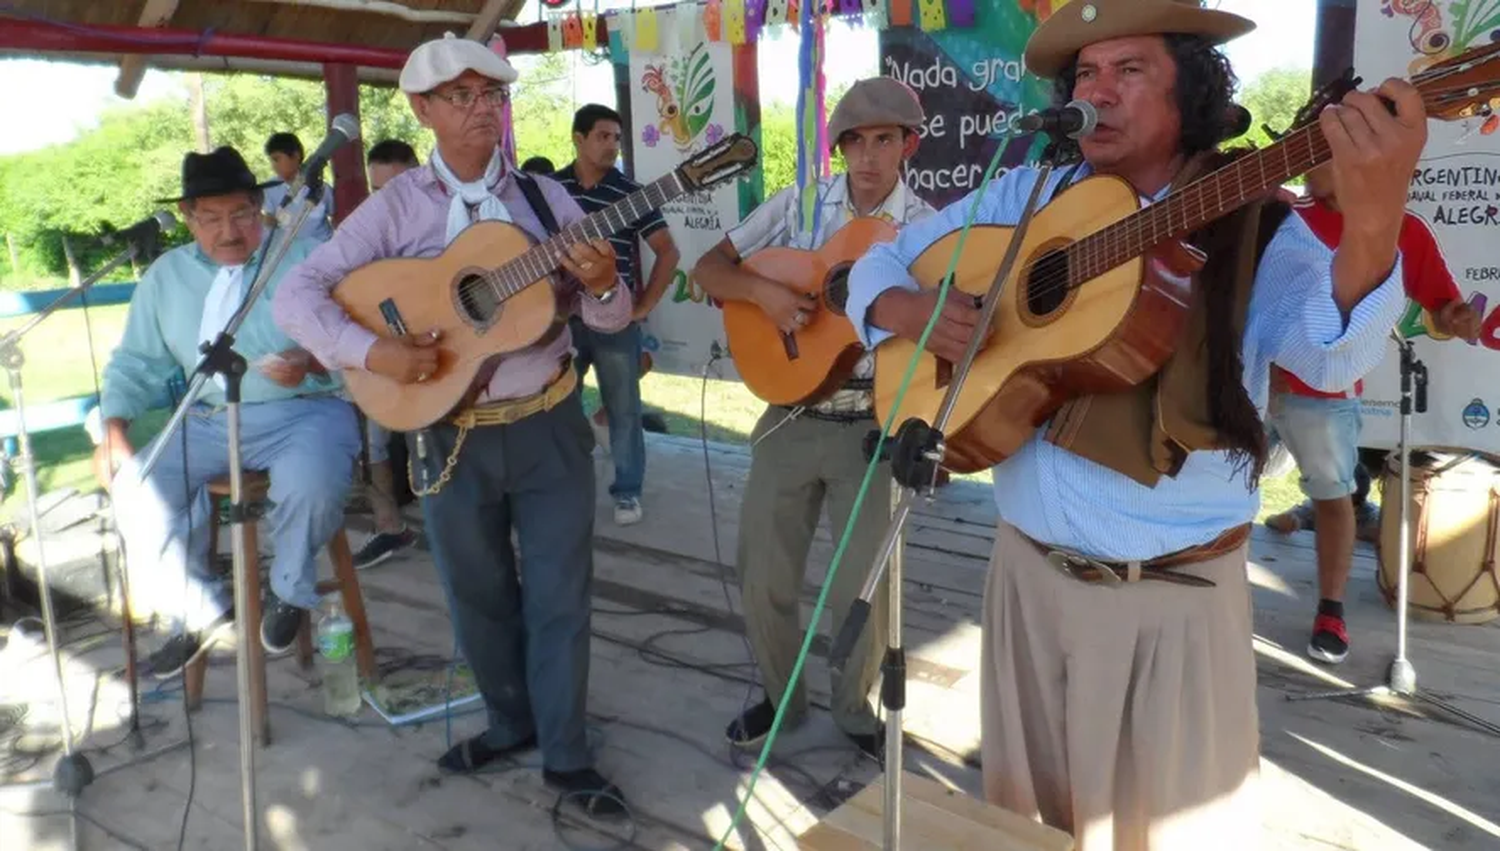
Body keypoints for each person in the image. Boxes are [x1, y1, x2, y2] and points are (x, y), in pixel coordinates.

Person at [845, 1, 1428, 847]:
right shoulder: (1027, 190)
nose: (1099, 91)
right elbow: (880, 260)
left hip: (1171, 607)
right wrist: (911, 308)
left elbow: (1333, 358)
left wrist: (1377, 217)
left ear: (1188, 90)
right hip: (1024, 580)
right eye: (1085, 73)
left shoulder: (1257, 225)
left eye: (1129, 70)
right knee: (1024, 820)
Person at [272, 32, 630, 818]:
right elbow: (295, 296)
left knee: (561, 591)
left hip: (549, 421)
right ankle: (510, 720)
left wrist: (603, 283)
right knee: (477, 593)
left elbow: (614, 309)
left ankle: (566, 753)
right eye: (460, 97)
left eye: (492, 96)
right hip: (447, 432)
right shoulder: (393, 209)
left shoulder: (544, 200)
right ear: (422, 108)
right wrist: (373, 351)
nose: (480, 111)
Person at [692, 77, 934, 756]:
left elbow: (945, 316)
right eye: (854, 141)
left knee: (864, 582)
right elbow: (710, 268)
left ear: (907, 144)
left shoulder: (931, 224)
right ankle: (780, 694)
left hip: (874, 426)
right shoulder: (798, 203)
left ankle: (855, 710)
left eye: (883, 139)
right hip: (788, 413)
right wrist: (764, 293)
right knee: (763, 568)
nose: (867, 155)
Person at [95, 146, 359, 677]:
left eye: (240, 214)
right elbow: (138, 361)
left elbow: (358, 340)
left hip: (305, 412)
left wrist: (309, 362)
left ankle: (288, 589)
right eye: (210, 219)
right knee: (135, 492)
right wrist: (114, 427)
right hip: (210, 418)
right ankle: (201, 605)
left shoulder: (306, 257)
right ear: (189, 219)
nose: (228, 232)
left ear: (259, 206)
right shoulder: (167, 277)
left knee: (311, 483)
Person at [1264, 161, 1479, 665]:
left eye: (1322, 153)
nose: (1307, 163)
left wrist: (1458, 317)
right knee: (1219, 481)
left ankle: (1330, 611)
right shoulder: (1284, 214)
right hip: (1249, 380)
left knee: (1333, 495)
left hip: (1323, 391)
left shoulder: (1404, 229)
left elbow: (1443, 306)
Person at [553, 104, 680, 526]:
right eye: (603, 136)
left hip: (615, 319)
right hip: (560, 322)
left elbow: (668, 251)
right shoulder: (549, 190)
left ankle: (627, 492)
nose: (611, 145)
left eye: (616, 138)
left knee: (623, 409)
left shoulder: (631, 193)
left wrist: (642, 307)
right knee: (557, 408)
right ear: (578, 138)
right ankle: (565, 485)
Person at [348, 138, 424, 569]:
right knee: (374, 443)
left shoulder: (443, 220)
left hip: (437, 357)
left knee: (426, 449)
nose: (388, 201)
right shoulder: (364, 230)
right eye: (379, 191)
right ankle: (389, 526)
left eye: (397, 188)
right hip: (381, 354)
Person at [260, 132, 335, 242]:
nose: (273, 166)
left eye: (277, 159)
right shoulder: (269, 189)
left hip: (324, 248)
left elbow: (339, 217)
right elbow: (270, 223)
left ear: (295, 156)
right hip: (290, 253)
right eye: (271, 161)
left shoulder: (322, 188)